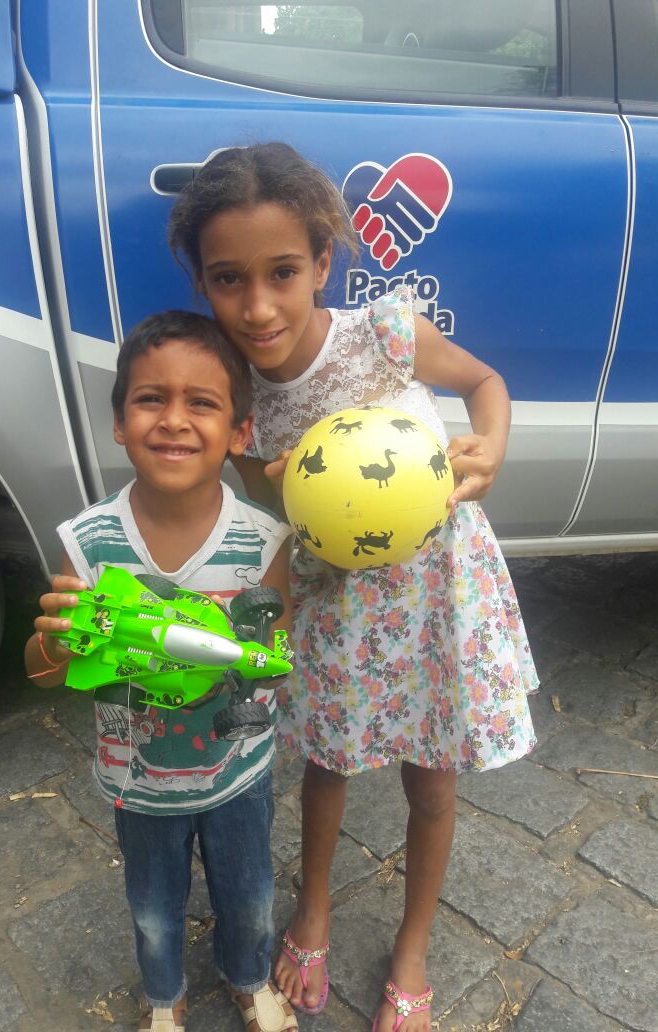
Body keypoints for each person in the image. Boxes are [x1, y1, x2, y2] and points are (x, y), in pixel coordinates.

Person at [168, 143, 538, 1032]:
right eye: (228, 279)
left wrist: (490, 446)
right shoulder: (236, 388)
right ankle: (314, 909)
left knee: (432, 780)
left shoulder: (385, 334)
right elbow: (260, 502)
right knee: (328, 765)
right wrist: (279, 484)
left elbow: (484, 382)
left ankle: (413, 945)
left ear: (323, 262)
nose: (258, 306)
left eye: (283, 272)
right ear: (203, 281)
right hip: (337, 607)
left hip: (435, 596)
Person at [24, 310, 298, 1032]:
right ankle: (163, 997)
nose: (174, 419)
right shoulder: (89, 543)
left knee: (250, 893)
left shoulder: (261, 541)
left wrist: (250, 660)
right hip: (138, 781)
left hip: (238, 771)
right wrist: (55, 644)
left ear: (239, 431)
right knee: (151, 906)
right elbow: (45, 674)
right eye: (151, 399)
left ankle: (248, 976)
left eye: (201, 402)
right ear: (120, 422)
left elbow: (276, 655)